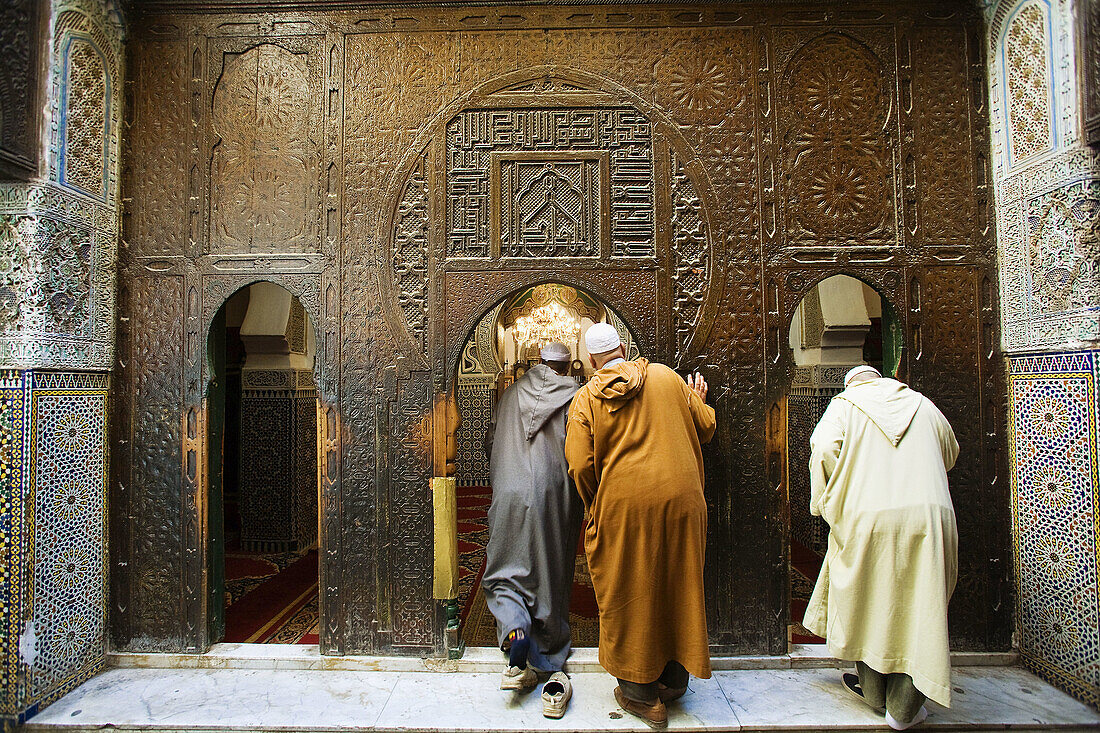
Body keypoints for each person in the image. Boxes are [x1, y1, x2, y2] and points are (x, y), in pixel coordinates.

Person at [564, 322, 715, 729]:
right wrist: (699, 401)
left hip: (626, 508)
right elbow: (706, 427)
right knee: (678, 583)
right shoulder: (665, 376)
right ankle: (675, 678)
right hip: (684, 504)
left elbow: (579, 464)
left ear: (592, 360)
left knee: (630, 589)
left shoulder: (586, 399)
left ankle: (640, 695)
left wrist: (601, 500)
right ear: (624, 349)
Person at [804, 365, 959, 731]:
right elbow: (950, 451)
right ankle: (904, 706)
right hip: (929, 518)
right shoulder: (922, 404)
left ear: (850, 385)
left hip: (867, 518)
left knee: (865, 600)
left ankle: (881, 698)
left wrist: (826, 500)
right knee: (923, 609)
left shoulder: (844, 405)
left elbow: (824, 447)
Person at [482, 341, 581, 718]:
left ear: (539, 362)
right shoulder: (577, 396)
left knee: (505, 569)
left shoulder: (509, 395)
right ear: (568, 365)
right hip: (554, 495)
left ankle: (515, 628)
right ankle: (549, 658)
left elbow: (489, 441)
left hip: (509, 491)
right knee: (549, 569)